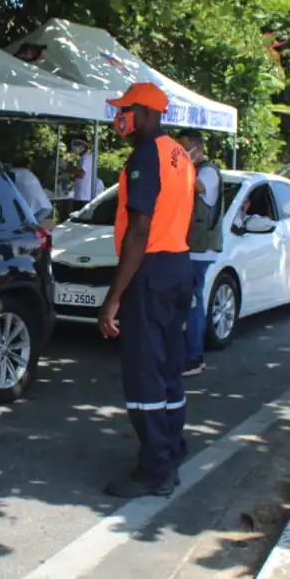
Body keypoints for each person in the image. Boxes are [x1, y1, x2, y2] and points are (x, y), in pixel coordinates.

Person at [97, 83, 195, 498]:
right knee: (168, 367)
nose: (121, 116)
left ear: (149, 113)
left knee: (144, 373)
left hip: (151, 270)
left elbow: (139, 230)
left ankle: (155, 471)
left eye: (128, 109)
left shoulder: (145, 157)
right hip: (177, 266)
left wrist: (113, 298)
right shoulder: (181, 156)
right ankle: (172, 449)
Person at [176, 129, 222, 377]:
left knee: (194, 302)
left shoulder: (208, 172)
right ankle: (186, 353)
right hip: (188, 247)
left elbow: (197, 187)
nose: (180, 153)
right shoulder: (195, 168)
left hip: (200, 249)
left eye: (183, 148)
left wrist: (177, 164)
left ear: (196, 148)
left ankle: (194, 357)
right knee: (188, 301)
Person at [11, 156, 55, 228]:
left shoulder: (13, 173)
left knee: (26, 226)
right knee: (33, 226)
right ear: (28, 165)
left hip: (28, 207)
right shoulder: (29, 174)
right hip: (42, 206)